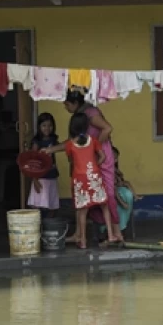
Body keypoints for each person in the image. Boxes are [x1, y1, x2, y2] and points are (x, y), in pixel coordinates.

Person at [44, 111, 122, 249]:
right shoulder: (94, 141)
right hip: (94, 177)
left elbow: (71, 160)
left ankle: (83, 241)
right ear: (87, 126)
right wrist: (94, 166)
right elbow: (103, 157)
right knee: (104, 206)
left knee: (82, 211)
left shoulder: (70, 145)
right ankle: (111, 235)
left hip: (80, 179)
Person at [63, 89, 119, 237]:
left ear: (75, 103)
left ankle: (115, 232)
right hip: (90, 160)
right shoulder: (80, 115)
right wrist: (50, 150)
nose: (65, 107)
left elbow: (108, 128)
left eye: (67, 104)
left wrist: (93, 149)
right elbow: (71, 143)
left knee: (107, 195)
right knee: (85, 196)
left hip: (99, 157)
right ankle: (81, 234)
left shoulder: (90, 113)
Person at [26, 112, 60, 215]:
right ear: (39, 127)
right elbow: (32, 162)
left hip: (52, 175)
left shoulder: (53, 140)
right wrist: (35, 180)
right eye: (44, 125)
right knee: (39, 204)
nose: (47, 128)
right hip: (41, 178)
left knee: (52, 203)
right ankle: (38, 226)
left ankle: (51, 225)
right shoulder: (37, 142)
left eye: (50, 125)